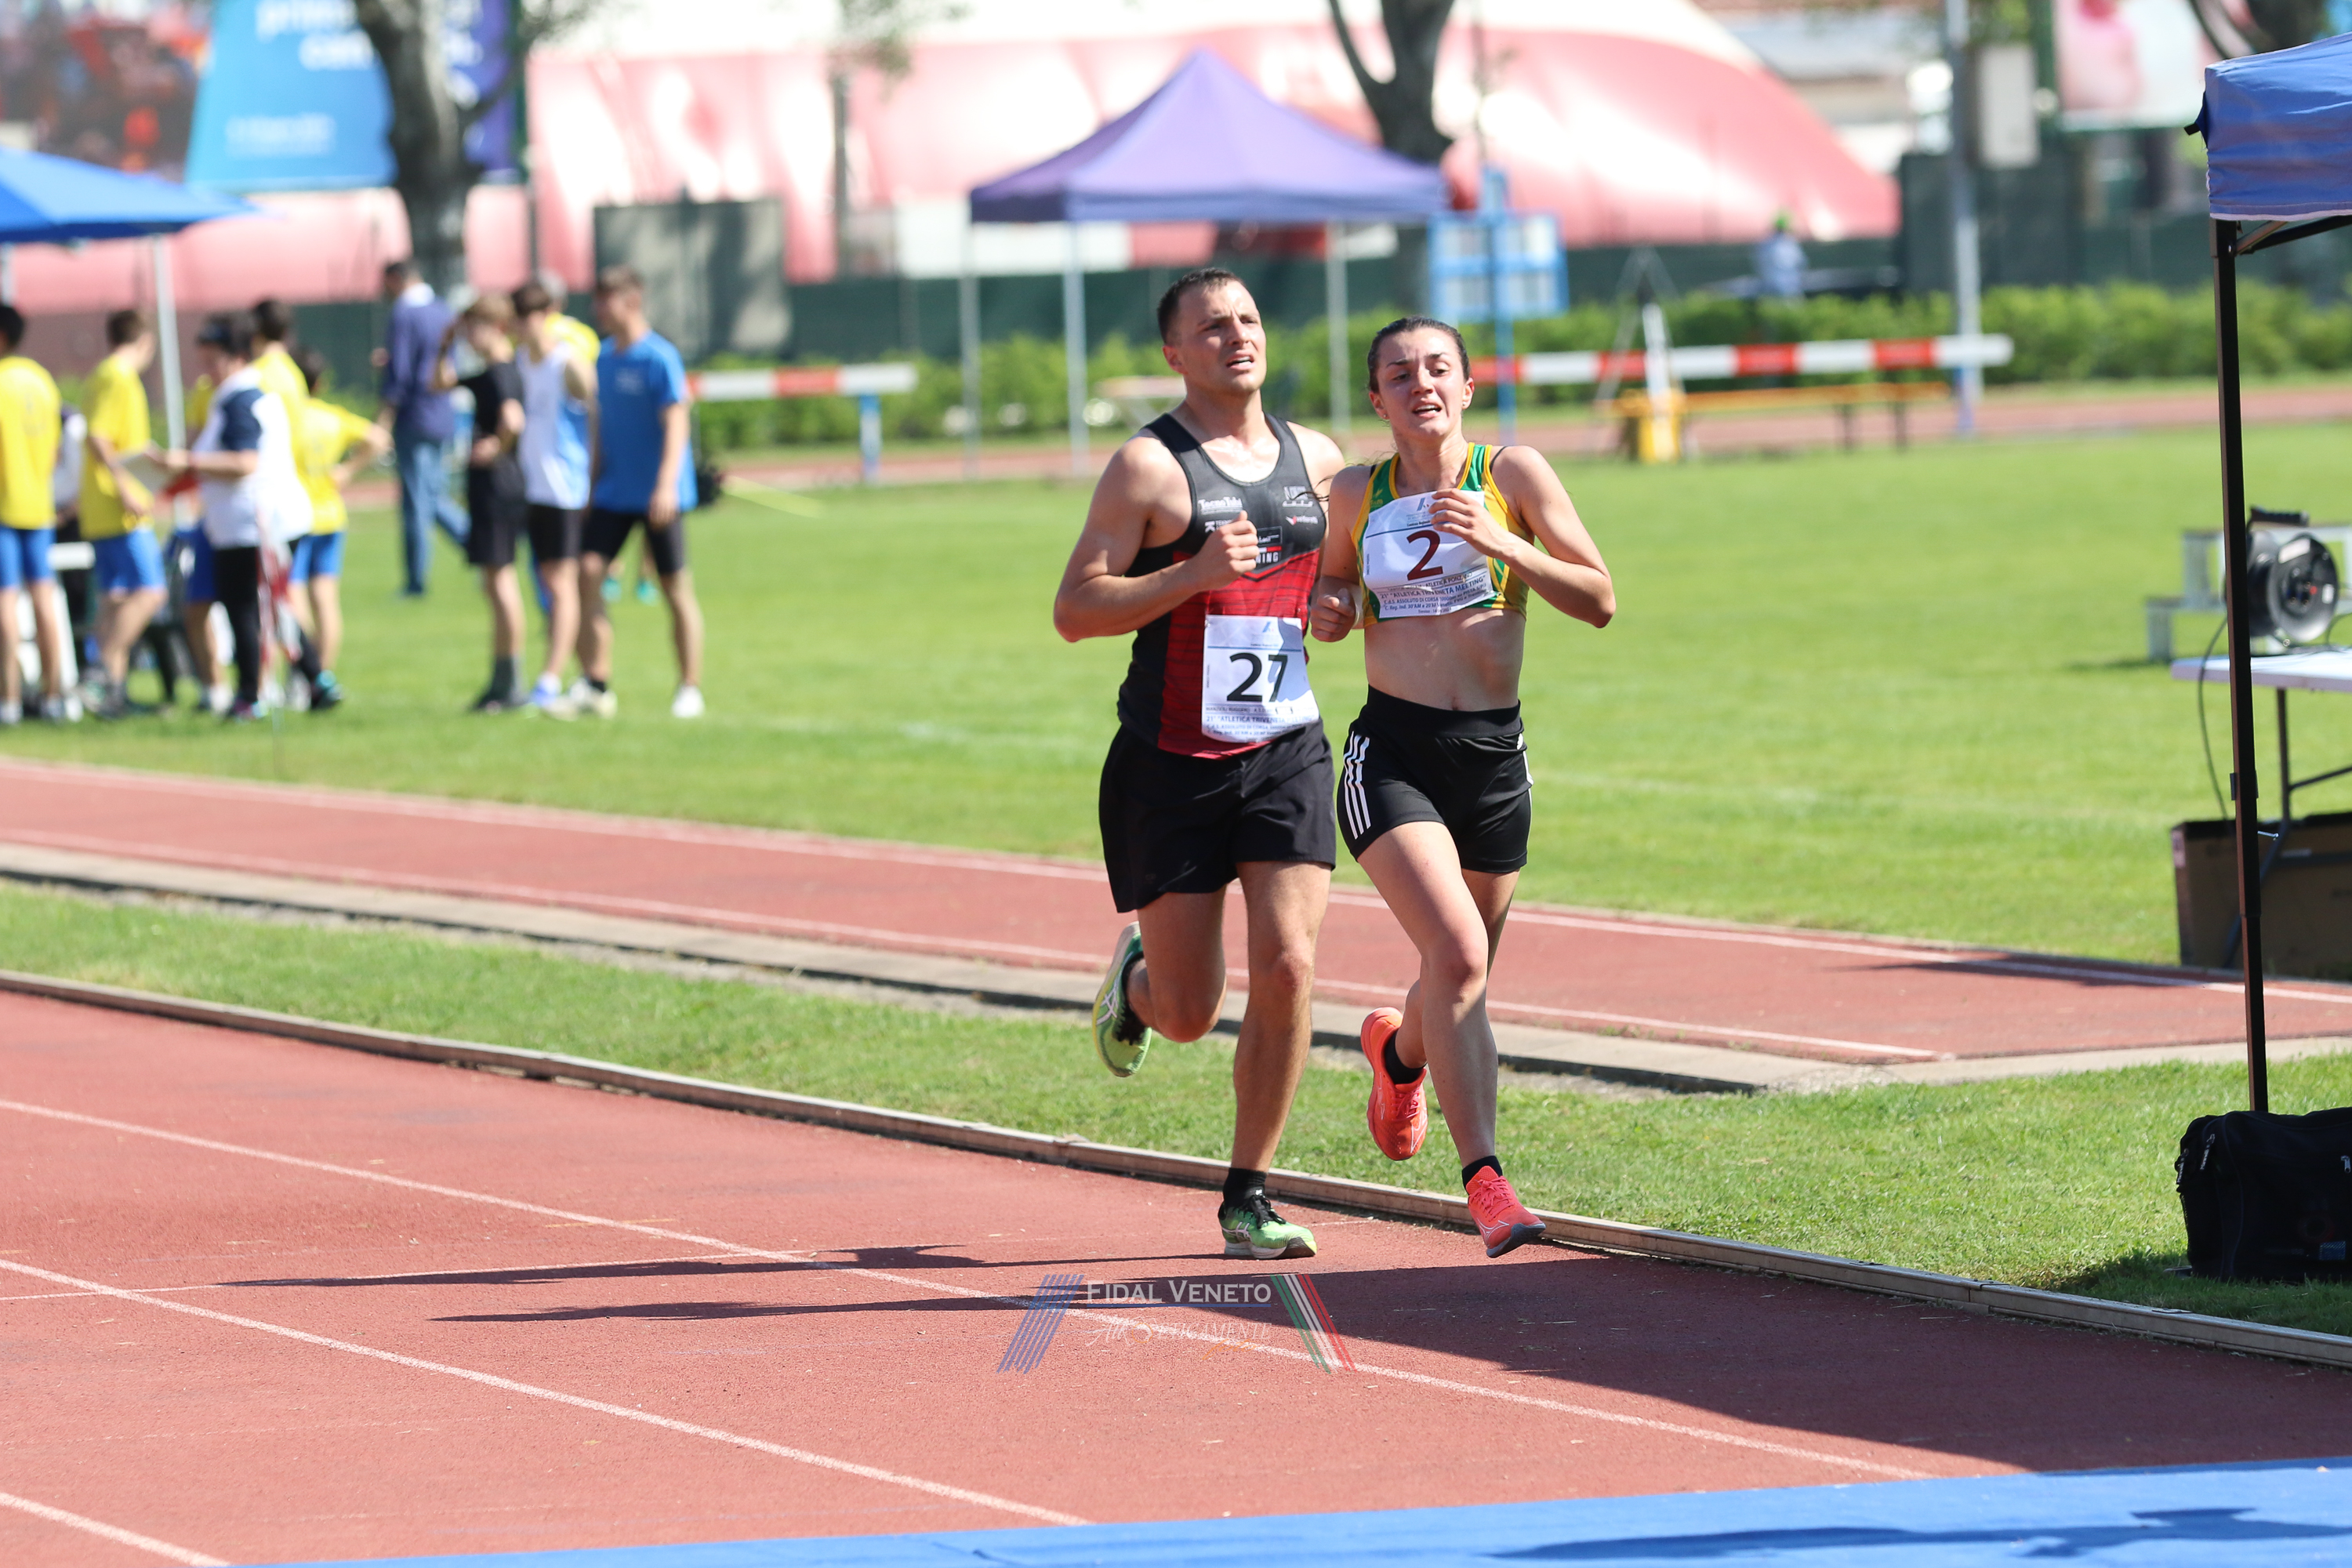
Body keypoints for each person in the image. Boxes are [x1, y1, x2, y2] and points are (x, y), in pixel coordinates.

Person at [1051, 268, 1347, 1261]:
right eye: (1213, 326)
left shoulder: (1319, 458)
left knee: (1291, 962)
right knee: (1187, 1013)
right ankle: (1138, 982)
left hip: (1287, 749)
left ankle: (1248, 1193)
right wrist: (1191, 573)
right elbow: (1074, 609)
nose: (1238, 336)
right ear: (1175, 352)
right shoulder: (1147, 467)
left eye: (1249, 319)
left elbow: (1337, 582)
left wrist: (1338, 607)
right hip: (1172, 762)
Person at [1308, 317, 1615, 1259]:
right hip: (1392, 754)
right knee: (1458, 952)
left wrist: (1504, 542)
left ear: (1468, 388)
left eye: (1438, 368)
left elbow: (1598, 598)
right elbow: (1330, 592)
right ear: (1377, 399)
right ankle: (1487, 1182)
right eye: (1400, 374)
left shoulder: (1512, 475)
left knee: (1459, 972)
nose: (1422, 385)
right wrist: (1330, 607)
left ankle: (1397, 1054)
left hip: (1492, 760)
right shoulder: (1356, 492)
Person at [160, 311, 312, 722]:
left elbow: (245, 461)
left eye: (214, 362)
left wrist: (187, 462)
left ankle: (251, 695)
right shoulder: (239, 396)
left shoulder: (240, 399)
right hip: (250, 520)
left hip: (252, 522)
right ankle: (316, 678)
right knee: (272, 606)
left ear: (238, 357)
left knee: (245, 608)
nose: (207, 372)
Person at [571, 265, 703, 720]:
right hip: (614, 492)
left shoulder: (659, 357)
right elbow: (600, 428)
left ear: (632, 301)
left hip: (658, 496)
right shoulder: (604, 359)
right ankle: (596, 683)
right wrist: (590, 486)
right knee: (588, 573)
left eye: (605, 300)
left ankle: (689, 687)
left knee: (674, 588)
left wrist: (666, 485)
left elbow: (676, 423)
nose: (598, 309)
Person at [432, 295, 529, 711]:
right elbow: (439, 384)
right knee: (493, 583)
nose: (470, 335)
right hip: (492, 486)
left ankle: (511, 682)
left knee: (502, 583)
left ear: (497, 326)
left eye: (475, 327)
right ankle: (501, 679)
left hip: (498, 486)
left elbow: (513, 419)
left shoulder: (502, 372)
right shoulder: (487, 372)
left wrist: (496, 447)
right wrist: (445, 345)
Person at [510, 280, 595, 713]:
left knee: (563, 585)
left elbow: (594, 412)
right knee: (548, 587)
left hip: (564, 489)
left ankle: (549, 680)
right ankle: (581, 672)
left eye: (528, 317)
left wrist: (595, 477)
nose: (521, 326)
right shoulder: (519, 362)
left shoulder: (567, 362)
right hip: (531, 488)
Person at [289, 347, 388, 709]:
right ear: (321, 383)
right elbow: (379, 438)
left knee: (294, 599)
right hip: (332, 515)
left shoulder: (288, 418)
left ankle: (304, 677)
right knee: (326, 601)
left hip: (297, 518)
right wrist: (348, 469)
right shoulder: (332, 417)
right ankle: (323, 675)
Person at [78, 308, 164, 719]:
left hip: (100, 503)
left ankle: (112, 694)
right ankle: (98, 671)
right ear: (145, 341)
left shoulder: (100, 374)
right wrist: (127, 484)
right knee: (150, 591)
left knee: (114, 598)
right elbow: (99, 436)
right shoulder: (119, 376)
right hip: (119, 506)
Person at [377, 258, 466, 595]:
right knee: (432, 494)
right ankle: (478, 545)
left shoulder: (404, 313)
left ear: (397, 279)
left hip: (414, 415)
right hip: (442, 412)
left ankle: (416, 581)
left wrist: (385, 417)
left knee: (417, 499)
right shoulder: (443, 309)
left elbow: (400, 373)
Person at [0, 304, 69, 724]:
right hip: (39, 508)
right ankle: (53, 695)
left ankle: (8, 700)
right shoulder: (42, 381)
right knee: (45, 600)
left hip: (4, 508)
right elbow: (57, 450)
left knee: (5, 603)